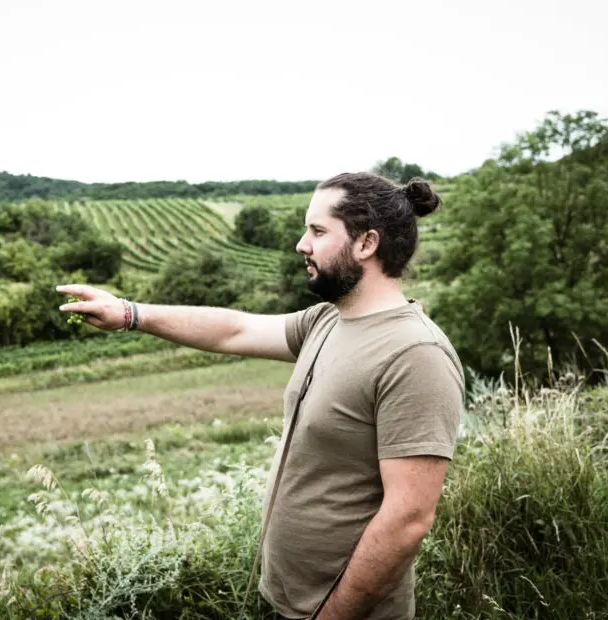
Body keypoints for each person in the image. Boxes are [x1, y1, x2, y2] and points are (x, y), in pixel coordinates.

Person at [57, 172, 464, 620]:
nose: (301, 244)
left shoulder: (414, 354)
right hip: (289, 602)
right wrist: (130, 313)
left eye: (318, 231)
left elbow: (407, 521)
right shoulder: (326, 322)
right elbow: (237, 329)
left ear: (366, 243)